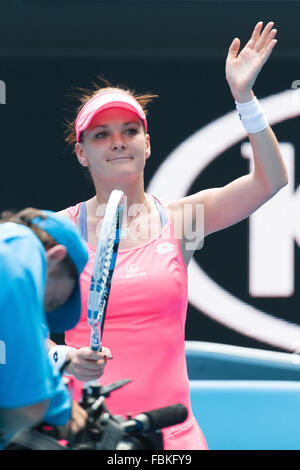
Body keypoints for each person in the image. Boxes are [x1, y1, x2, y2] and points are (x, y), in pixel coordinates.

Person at [53, 21, 288, 450]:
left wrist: (245, 99)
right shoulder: (54, 235)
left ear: (147, 144)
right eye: (102, 135)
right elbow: (11, 328)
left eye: (130, 131)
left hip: (174, 441)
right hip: (82, 438)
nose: (118, 142)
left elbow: (269, 180)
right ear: (82, 153)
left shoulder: (185, 222)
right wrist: (61, 357)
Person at [0, 208, 109, 449]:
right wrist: (62, 409)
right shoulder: (19, 244)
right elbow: (29, 405)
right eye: (52, 304)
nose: (39, 314)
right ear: (56, 257)